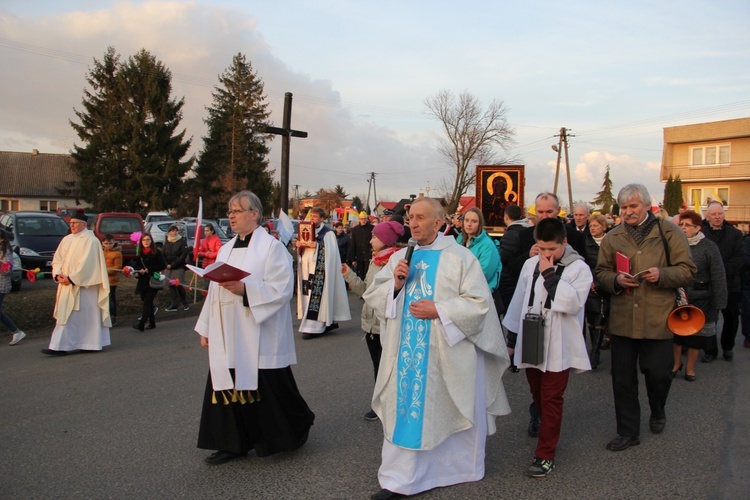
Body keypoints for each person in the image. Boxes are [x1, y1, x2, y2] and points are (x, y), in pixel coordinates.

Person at [362, 197, 511, 499]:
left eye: (420, 217)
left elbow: (480, 305)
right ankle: (400, 479)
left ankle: (453, 469)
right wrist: (396, 286)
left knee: (442, 408)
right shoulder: (399, 258)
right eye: (410, 218)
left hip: (445, 353)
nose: (413, 223)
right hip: (404, 355)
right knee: (406, 409)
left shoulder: (460, 258)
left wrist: (440, 310)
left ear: (439, 222)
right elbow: (375, 294)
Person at [196, 190, 315, 465]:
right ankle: (232, 443)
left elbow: (282, 289)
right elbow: (215, 292)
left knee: (271, 389)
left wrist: (245, 290)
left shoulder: (271, 248)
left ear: (255, 214)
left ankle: (293, 429)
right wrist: (206, 328)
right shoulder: (225, 249)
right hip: (228, 330)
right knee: (225, 385)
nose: (231, 215)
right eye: (229, 211)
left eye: (237, 210)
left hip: (258, 331)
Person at [596, 184, 696, 451]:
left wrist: (662, 275)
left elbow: (687, 270)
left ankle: (658, 409)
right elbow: (601, 273)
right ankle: (628, 432)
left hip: (658, 318)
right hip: (623, 319)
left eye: (633, 206)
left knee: (659, 375)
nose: (628, 212)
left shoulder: (670, 232)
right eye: (624, 207)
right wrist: (616, 279)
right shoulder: (612, 236)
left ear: (647, 206)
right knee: (622, 379)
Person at [503, 218, 592, 477]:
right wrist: (511, 341)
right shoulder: (531, 264)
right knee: (538, 392)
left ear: (564, 242)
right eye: (541, 249)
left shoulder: (579, 269)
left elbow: (572, 303)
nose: (546, 254)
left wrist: (550, 275)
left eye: (551, 249)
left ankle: (545, 454)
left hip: (559, 342)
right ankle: (545, 425)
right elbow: (519, 301)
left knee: (552, 397)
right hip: (532, 334)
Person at [341, 220, 404, 421]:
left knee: (387, 366)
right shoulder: (376, 260)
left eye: (375, 237)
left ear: (385, 240)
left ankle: (388, 406)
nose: (370, 240)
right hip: (370, 324)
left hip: (383, 323)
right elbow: (368, 292)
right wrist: (349, 275)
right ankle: (380, 404)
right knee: (378, 366)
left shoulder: (392, 263)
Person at [42, 209, 111, 355]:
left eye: (74, 223)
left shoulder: (91, 241)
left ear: (83, 224)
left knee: (85, 316)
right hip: (66, 285)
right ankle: (60, 346)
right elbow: (58, 259)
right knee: (66, 315)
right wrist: (58, 275)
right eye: (71, 223)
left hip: (85, 287)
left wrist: (71, 278)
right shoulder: (67, 239)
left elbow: (88, 264)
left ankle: (90, 343)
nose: (71, 225)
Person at [673, 211, 727, 381]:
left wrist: (719, 302)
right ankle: (676, 364)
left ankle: (690, 368)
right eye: (681, 225)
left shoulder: (709, 247)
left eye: (687, 225)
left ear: (697, 228)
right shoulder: (675, 244)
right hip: (678, 296)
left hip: (701, 298)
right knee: (676, 334)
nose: (683, 228)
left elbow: (718, 275)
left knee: (696, 336)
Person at [296, 207, 351, 339]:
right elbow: (302, 250)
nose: (312, 219)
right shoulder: (306, 230)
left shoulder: (328, 234)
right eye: (311, 216)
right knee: (307, 295)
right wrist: (298, 246)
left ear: (322, 218)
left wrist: (318, 246)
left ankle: (315, 326)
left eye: (315, 216)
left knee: (317, 297)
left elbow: (331, 255)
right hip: (306, 268)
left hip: (319, 270)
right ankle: (318, 323)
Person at [700, 201, 744, 362]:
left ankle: (728, 347)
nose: (717, 217)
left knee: (731, 317)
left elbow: (740, 258)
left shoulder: (735, 234)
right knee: (709, 318)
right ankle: (710, 350)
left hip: (731, 283)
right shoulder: (701, 234)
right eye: (714, 214)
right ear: (707, 216)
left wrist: (721, 272)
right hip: (708, 283)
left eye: (720, 214)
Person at [582, 214, 611, 368]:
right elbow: (584, 262)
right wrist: (590, 280)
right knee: (592, 318)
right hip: (589, 282)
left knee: (601, 316)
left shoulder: (610, 241)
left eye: (596, 226)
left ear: (604, 227)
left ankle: (595, 352)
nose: (593, 228)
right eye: (591, 225)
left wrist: (601, 281)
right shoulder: (585, 241)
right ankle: (594, 349)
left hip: (605, 283)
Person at [456, 207, 500, 292]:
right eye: (466, 220)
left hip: (481, 292)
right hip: (460, 291)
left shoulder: (488, 245)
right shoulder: (459, 239)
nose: (469, 224)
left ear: (480, 224)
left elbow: (484, 274)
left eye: (474, 221)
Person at [133, 233, 166, 331]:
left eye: (148, 240)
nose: (146, 242)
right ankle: (152, 323)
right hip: (143, 281)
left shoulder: (157, 252)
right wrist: (139, 271)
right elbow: (136, 266)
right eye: (144, 240)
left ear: (151, 241)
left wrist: (149, 269)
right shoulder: (139, 253)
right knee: (147, 301)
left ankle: (141, 323)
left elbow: (162, 265)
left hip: (153, 281)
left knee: (147, 301)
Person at [0, 230, 25, 345]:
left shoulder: (6, 251)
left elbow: (7, 270)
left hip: (1, 285)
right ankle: (15, 331)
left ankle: (16, 331)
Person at [163, 224, 190, 312]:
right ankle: (173, 304)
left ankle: (185, 301)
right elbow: (163, 254)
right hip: (168, 266)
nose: (174, 232)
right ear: (169, 232)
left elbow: (183, 255)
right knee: (171, 285)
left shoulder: (181, 241)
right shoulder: (166, 241)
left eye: (176, 230)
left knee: (178, 285)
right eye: (172, 231)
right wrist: (166, 264)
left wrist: (173, 264)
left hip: (178, 266)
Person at [102, 234, 122, 327]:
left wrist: (106, 271)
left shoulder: (117, 253)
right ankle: (104, 316)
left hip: (111, 279)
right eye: (106, 243)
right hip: (101, 279)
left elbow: (117, 267)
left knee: (111, 298)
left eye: (110, 243)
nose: (108, 245)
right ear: (102, 243)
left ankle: (113, 317)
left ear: (113, 243)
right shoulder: (101, 252)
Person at [348, 211, 375, 280]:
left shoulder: (372, 228)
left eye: (364, 219)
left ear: (367, 219)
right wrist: (353, 259)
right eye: (361, 219)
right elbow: (353, 244)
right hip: (359, 256)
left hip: (369, 255)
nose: (363, 221)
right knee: (360, 275)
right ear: (359, 219)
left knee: (369, 275)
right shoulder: (355, 229)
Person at [741, 234, 750, 349]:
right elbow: (746, 260)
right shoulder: (747, 241)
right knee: (747, 312)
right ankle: (748, 337)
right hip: (748, 283)